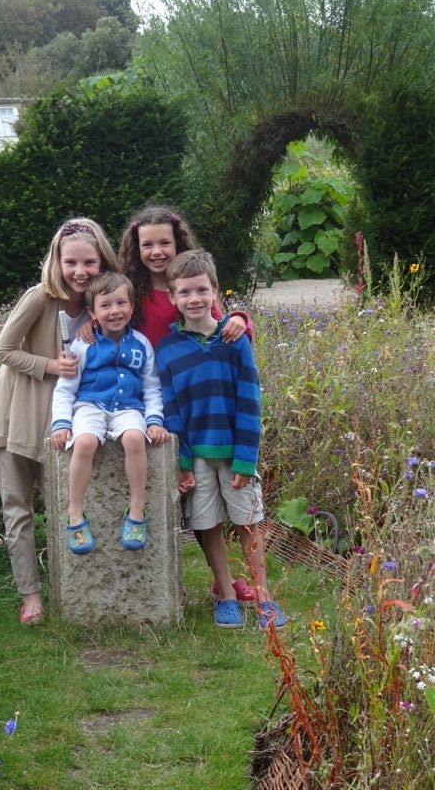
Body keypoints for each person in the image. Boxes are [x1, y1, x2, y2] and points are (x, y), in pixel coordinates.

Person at [0, 218, 121, 625]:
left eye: (89, 262)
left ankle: (75, 586)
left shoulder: (102, 302)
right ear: (56, 262)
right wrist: (50, 365)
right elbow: (3, 350)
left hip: (63, 419)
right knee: (18, 507)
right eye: (70, 262)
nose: (79, 271)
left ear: (102, 261)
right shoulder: (40, 297)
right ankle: (31, 595)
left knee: (67, 503)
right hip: (16, 412)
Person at [117, 204, 256, 605]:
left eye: (166, 242)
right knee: (177, 493)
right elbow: (110, 311)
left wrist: (241, 318)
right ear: (136, 247)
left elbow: (221, 327)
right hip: (155, 396)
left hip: (199, 402)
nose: (158, 251)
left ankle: (221, 582)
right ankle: (174, 576)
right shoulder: (134, 290)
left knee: (199, 496)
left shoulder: (191, 281)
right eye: (148, 244)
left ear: (179, 242)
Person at [155, 249, 286, 630]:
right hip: (196, 456)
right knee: (207, 523)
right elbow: (172, 409)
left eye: (201, 290)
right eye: (184, 293)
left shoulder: (234, 339)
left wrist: (246, 458)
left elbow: (249, 400)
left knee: (249, 524)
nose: (193, 299)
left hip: (234, 452)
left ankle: (263, 595)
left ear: (215, 290)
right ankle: (226, 593)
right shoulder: (168, 350)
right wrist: (182, 462)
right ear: (172, 298)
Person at [50, 271, 169, 554]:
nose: (114, 311)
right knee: (85, 442)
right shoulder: (83, 344)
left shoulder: (141, 344)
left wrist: (154, 420)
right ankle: (75, 511)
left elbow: (152, 387)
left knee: (134, 439)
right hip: (90, 405)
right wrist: (61, 423)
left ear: (131, 305)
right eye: (105, 306)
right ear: (92, 312)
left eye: (121, 303)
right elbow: (66, 389)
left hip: (129, 408)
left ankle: (137, 509)